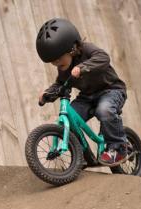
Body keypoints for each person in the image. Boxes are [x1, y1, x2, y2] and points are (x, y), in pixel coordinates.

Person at [36, 18, 128, 165]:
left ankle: (119, 148)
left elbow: (103, 58)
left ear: (72, 49)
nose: (57, 65)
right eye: (53, 62)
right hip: (87, 97)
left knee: (104, 110)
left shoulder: (86, 49)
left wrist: (83, 67)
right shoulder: (63, 69)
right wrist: (47, 95)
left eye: (58, 60)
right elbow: (60, 84)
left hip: (111, 90)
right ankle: (82, 156)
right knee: (70, 118)